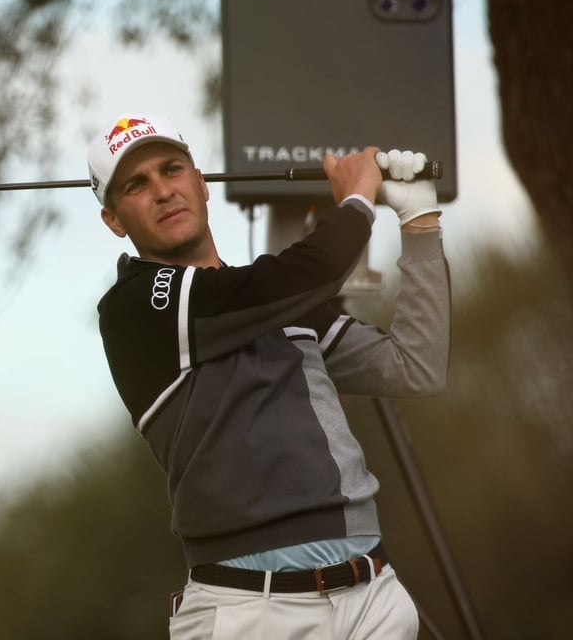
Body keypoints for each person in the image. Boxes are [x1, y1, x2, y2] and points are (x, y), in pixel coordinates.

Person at [88, 113, 448, 639]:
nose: (163, 192)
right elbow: (303, 273)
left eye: (172, 170)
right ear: (114, 220)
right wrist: (355, 200)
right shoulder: (137, 304)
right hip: (248, 611)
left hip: (373, 597)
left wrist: (420, 222)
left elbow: (416, 367)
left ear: (202, 185)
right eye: (136, 185)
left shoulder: (281, 300)